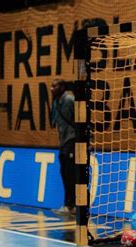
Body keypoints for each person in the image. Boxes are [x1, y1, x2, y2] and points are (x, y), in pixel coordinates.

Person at [50, 79, 76, 216]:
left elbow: (81, 119)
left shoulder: (70, 99)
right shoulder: (56, 101)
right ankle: (69, 204)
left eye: (54, 86)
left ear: (62, 87)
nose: (51, 89)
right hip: (64, 142)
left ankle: (71, 205)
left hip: (73, 141)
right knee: (65, 173)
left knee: (70, 173)